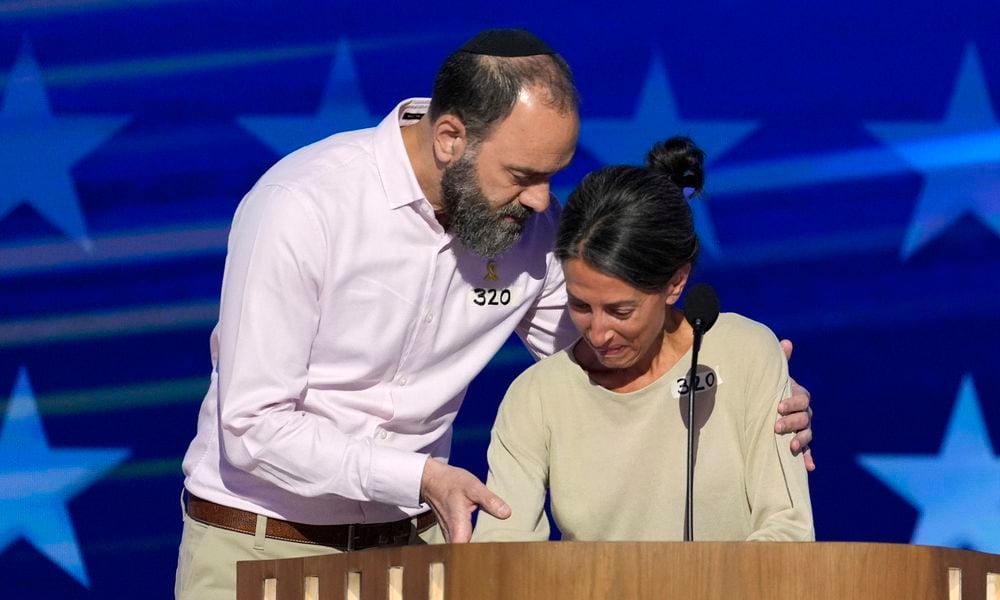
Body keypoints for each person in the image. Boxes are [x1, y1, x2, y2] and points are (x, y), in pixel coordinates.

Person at [174, 29, 814, 599]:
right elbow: (253, 424)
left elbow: (612, 349)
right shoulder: (302, 206)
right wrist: (419, 476)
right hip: (261, 548)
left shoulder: (530, 228)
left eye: (553, 175)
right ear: (450, 137)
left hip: (415, 553)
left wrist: (748, 387)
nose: (541, 202)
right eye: (522, 174)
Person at [473, 137, 814, 542]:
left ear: (675, 283)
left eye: (620, 311)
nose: (598, 333)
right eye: (580, 305)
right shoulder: (537, 396)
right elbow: (500, 555)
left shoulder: (744, 353)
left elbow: (787, 531)